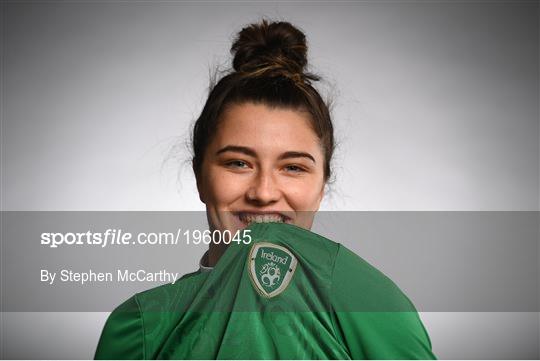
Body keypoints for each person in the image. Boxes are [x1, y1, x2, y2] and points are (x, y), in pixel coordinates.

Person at [94, 19, 436, 360]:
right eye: (238, 163)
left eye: (293, 167)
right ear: (200, 175)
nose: (264, 192)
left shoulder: (374, 308)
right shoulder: (142, 328)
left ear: (321, 185)